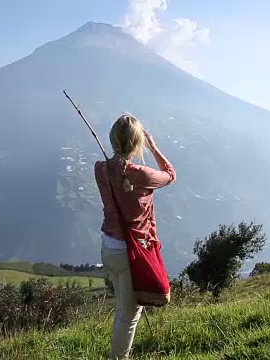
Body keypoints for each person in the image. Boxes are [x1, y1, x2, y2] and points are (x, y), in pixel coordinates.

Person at [94, 114, 176, 359]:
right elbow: (170, 174)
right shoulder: (139, 174)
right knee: (128, 314)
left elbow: (115, 172)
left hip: (108, 246)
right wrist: (153, 146)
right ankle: (118, 357)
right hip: (130, 251)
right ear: (137, 142)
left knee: (124, 305)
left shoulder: (101, 169)